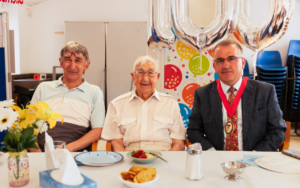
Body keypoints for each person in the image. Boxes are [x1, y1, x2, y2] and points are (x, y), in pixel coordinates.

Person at [187, 39, 286, 151]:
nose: (225, 65)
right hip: (216, 159)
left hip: (254, 160)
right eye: (220, 60)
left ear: (243, 63)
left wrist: (254, 155)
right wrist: (211, 152)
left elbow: (277, 130)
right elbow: (193, 130)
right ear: (214, 67)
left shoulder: (265, 91)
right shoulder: (202, 94)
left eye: (231, 58)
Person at [30, 41, 105, 152]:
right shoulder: (43, 88)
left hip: (75, 155)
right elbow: (28, 126)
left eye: (78, 61)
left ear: (86, 65)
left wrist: (66, 149)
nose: (72, 66)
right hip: (41, 152)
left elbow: (98, 131)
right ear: (61, 62)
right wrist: (37, 154)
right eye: (67, 59)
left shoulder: (95, 92)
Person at [101, 55, 186, 151]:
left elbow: (178, 143)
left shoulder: (171, 103)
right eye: (140, 72)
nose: (145, 78)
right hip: (131, 155)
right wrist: (125, 162)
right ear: (133, 77)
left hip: (164, 154)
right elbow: (116, 142)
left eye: (150, 73)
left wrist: (168, 163)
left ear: (157, 77)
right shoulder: (116, 104)